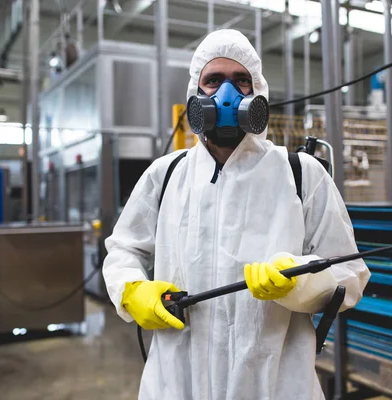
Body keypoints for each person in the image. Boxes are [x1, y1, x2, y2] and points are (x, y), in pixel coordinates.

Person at [102, 29, 370, 400]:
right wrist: (132, 290)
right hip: (177, 386)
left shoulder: (301, 174)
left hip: (276, 386)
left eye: (240, 81)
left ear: (257, 92)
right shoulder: (165, 175)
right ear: (195, 94)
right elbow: (124, 251)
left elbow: (350, 272)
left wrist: (300, 282)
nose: (227, 95)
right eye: (213, 81)